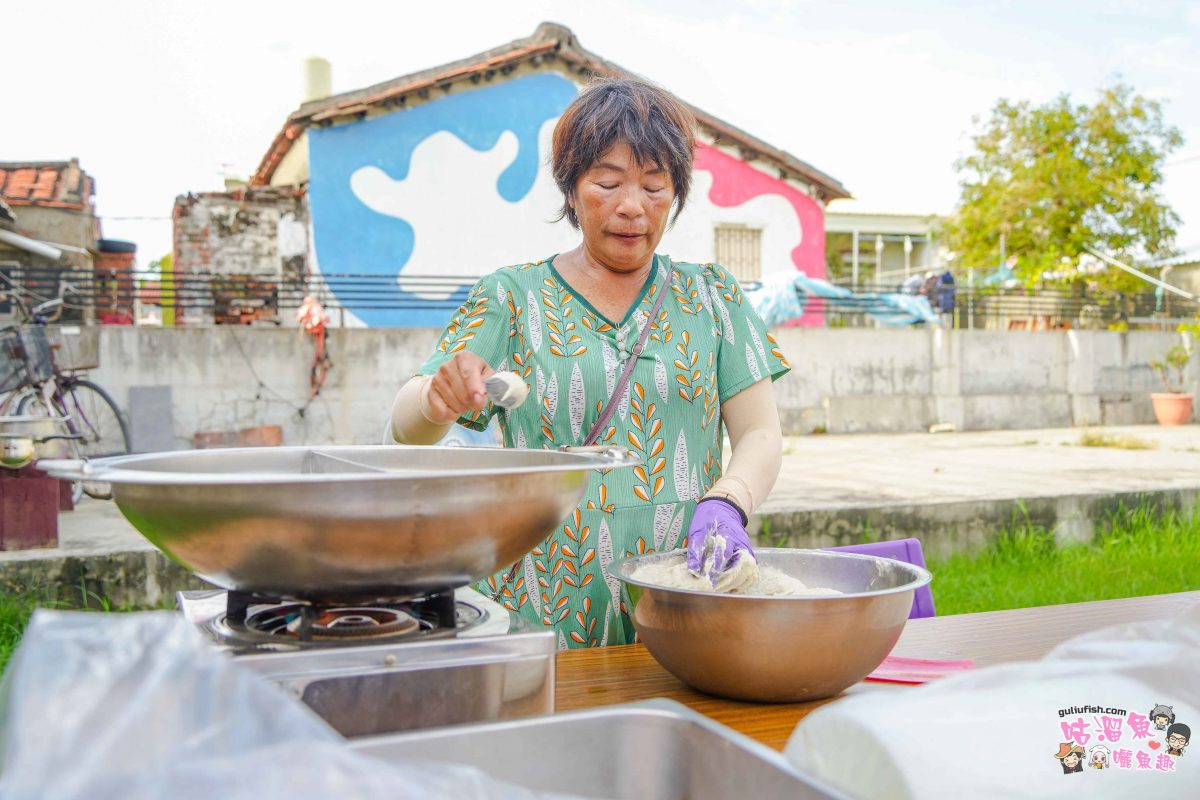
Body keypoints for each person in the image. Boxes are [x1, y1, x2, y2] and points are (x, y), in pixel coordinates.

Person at [389, 77, 789, 647]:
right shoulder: (512, 296)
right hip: (540, 614)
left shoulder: (713, 297)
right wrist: (435, 399)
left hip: (684, 604)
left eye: (655, 187)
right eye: (608, 182)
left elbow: (761, 433)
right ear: (571, 188)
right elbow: (407, 430)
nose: (632, 207)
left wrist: (729, 502)